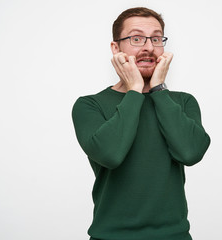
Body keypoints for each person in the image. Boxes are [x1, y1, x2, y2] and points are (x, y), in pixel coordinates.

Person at [72, 7, 211, 240]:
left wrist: (158, 90)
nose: (148, 47)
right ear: (116, 48)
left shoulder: (183, 102)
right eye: (136, 38)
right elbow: (111, 154)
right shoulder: (90, 105)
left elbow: (190, 153)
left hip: (174, 236)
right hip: (111, 236)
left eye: (156, 39)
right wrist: (134, 90)